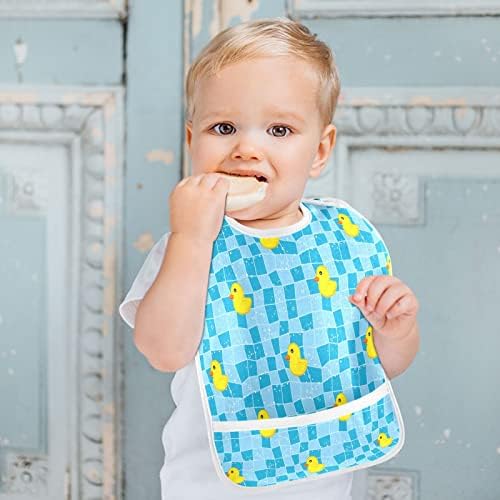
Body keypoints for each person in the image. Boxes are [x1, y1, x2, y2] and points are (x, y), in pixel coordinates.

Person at [119, 17, 420, 500]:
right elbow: (164, 351)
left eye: (279, 129)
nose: (247, 148)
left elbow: (380, 363)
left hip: (326, 475)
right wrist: (192, 239)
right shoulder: (190, 244)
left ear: (319, 151)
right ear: (193, 142)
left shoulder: (343, 239)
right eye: (224, 127)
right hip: (208, 485)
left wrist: (396, 329)